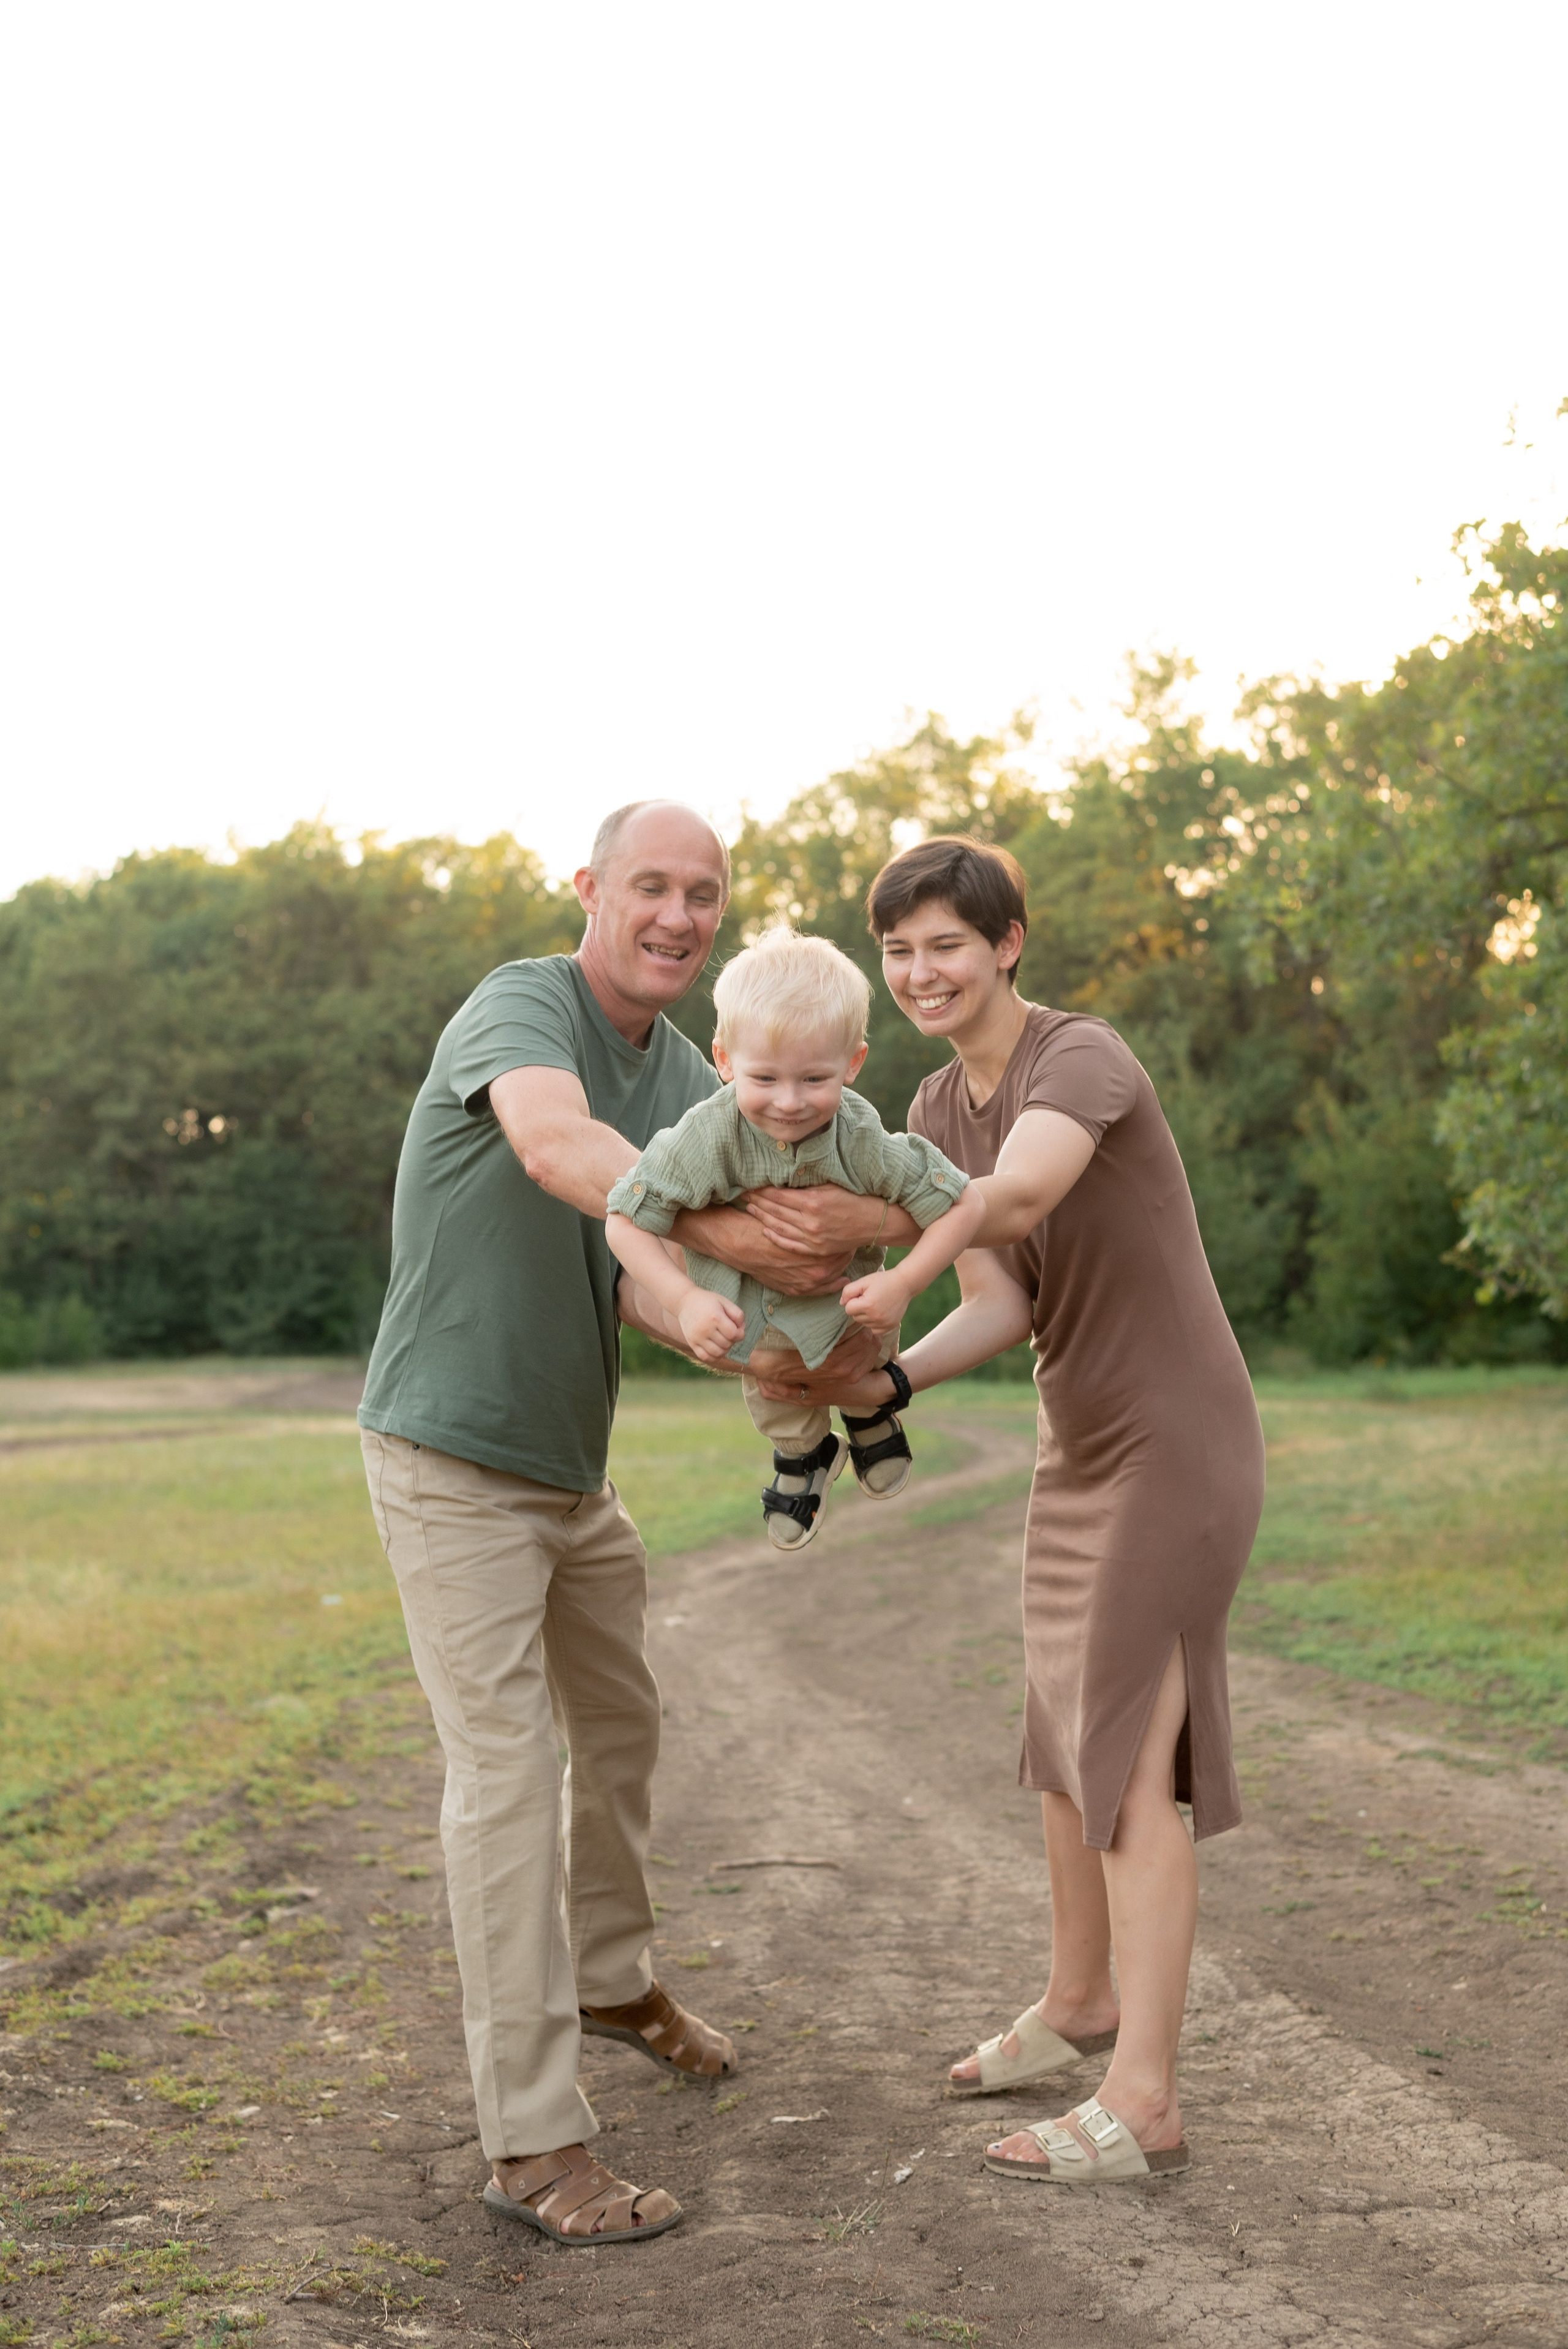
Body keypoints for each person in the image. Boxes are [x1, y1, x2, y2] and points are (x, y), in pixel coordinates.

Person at [356, 801, 895, 2246]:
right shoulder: (520, 1004)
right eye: (647, 886)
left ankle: (607, 1975)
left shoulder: (686, 1070)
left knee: (625, 1723)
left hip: (568, 1475)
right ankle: (534, 2146)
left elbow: (645, 1278)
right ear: (589, 888)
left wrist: (790, 1355)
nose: (673, 914)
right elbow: (551, 1147)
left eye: (700, 894)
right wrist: (733, 1234)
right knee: (506, 1775)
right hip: (447, 1456)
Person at [752, 834, 1265, 2187]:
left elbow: (1024, 1190)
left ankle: (1143, 2097)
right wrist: (885, 1371)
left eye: (947, 945)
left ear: (1007, 944)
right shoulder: (930, 1111)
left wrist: (880, 1242)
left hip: (1175, 1441)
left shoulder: (1075, 1059)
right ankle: (1078, 2001)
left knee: (1128, 1753)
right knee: (1056, 1734)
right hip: (1076, 1444)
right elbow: (1005, 1301)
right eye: (899, 950)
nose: (922, 971)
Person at [605, 927, 986, 1549]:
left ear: (852, 1064)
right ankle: (805, 1453)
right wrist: (682, 1299)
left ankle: (868, 1413)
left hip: (851, 1312)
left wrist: (905, 1280)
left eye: (814, 1079)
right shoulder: (706, 1138)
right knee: (777, 1396)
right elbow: (623, 1218)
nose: (789, 1102)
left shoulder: (859, 1136)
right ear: (724, 1059)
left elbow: (963, 1203)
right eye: (765, 1078)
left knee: (865, 1350)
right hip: (754, 1318)